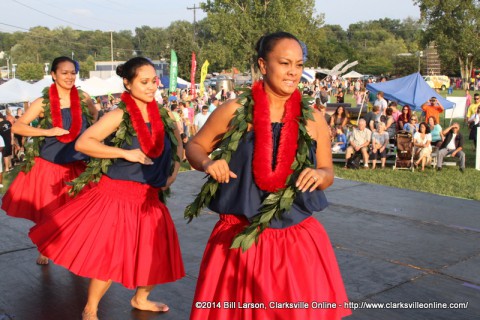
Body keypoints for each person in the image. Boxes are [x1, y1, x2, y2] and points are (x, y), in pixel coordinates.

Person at [185, 31, 350, 320]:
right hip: (240, 240)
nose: (293, 72)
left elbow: (328, 172)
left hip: (295, 242)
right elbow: (195, 146)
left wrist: (319, 175)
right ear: (263, 65)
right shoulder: (235, 111)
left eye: (299, 65)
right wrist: (208, 163)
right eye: (285, 63)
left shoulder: (313, 119)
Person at [29, 57, 185, 320]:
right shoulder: (119, 115)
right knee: (111, 254)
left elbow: (179, 144)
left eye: (153, 81)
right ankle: (91, 307)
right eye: (143, 82)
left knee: (155, 253)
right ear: (127, 83)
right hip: (118, 195)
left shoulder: (165, 115)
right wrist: (125, 154)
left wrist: (173, 173)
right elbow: (84, 143)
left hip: (150, 197)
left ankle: (141, 298)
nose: (151, 87)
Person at [1, 56, 96, 265]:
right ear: (53, 75)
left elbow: (95, 116)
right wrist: (47, 131)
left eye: (73, 72)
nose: (70, 77)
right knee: (50, 211)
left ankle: (75, 250)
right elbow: (18, 127)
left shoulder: (83, 97)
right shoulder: (42, 102)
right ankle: (45, 248)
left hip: (78, 165)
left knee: (80, 212)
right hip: (51, 165)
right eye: (64, 73)